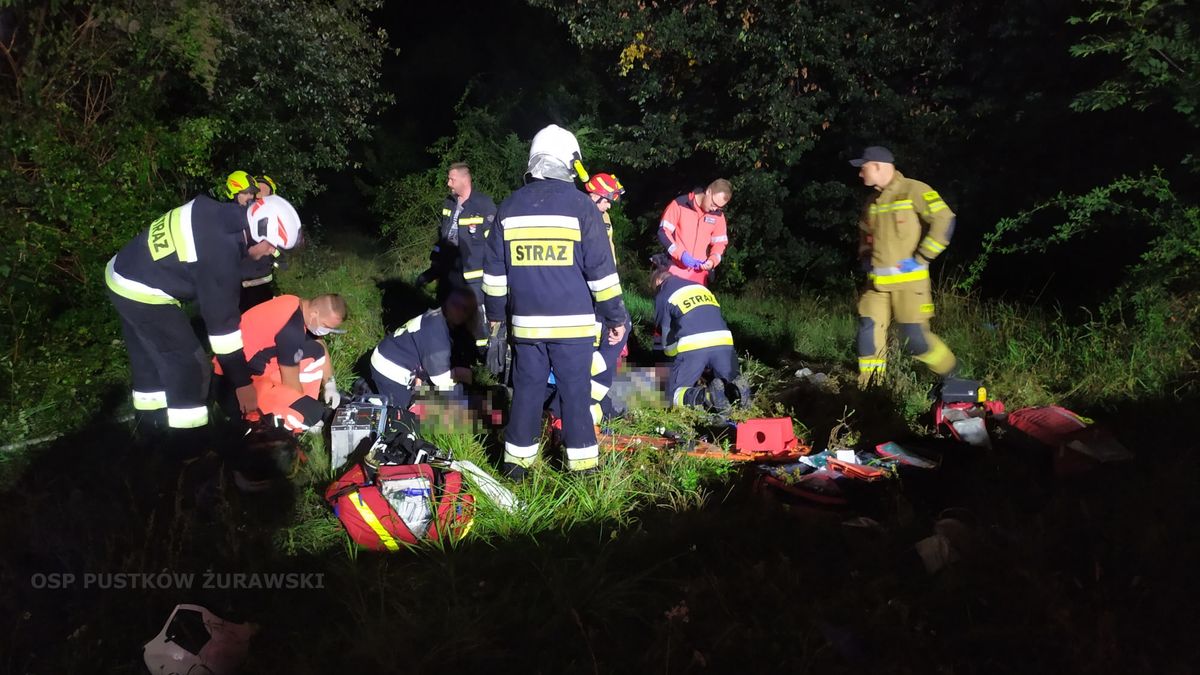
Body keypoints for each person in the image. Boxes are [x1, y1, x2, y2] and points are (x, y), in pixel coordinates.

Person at [483, 124, 628, 479]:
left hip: (526, 326)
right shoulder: (582, 207)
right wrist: (616, 319)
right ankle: (583, 473)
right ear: (569, 161)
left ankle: (516, 468)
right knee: (576, 397)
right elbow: (602, 274)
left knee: (527, 395)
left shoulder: (509, 207)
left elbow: (494, 275)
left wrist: (498, 318)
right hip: (574, 329)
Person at [105, 194, 302, 454]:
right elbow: (223, 334)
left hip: (122, 273)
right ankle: (190, 451)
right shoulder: (218, 256)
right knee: (191, 368)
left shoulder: (216, 211)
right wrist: (243, 384)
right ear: (259, 234)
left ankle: (148, 438)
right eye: (272, 247)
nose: (271, 253)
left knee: (149, 365)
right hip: (144, 292)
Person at [850, 145, 957, 386]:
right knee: (869, 331)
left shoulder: (913, 190)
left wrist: (922, 257)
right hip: (876, 286)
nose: (860, 174)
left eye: (863, 168)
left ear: (878, 166)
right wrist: (866, 258)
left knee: (915, 340)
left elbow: (945, 219)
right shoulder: (872, 202)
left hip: (910, 285)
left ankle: (952, 375)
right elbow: (865, 234)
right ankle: (872, 388)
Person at [216, 293, 346, 433]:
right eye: (326, 326)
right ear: (315, 313)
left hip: (253, 369)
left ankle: (297, 408)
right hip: (235, 385)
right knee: (311, 413)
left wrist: (330, 384)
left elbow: (319, 344)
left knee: (315, 350)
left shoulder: (294, 303)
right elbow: (291, 382)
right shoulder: (291, 331)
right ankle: (284, 424)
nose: (326, 331)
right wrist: (308, 412)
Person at [650, 255, 750, 410]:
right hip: (724, 342)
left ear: (658, 282)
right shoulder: (699, 287)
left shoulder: (663, 294)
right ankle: (739, 392)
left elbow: (666, 345)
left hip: (694, 346)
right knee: (727, 382)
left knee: (672, 395)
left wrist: (673, 362)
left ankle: (707, 396)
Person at [369, 288, 479, 410]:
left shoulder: (438, 315)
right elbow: (440, 380)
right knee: (401, 418)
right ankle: (372, 404)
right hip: (389, 369)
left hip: (397, 354)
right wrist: (460, 377)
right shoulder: (438, 336)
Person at [416, 163, 497, 322]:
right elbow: (443, 237)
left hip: (473, 280)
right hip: (448, 276)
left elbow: (494, 245)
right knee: (447, 321)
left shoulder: (483, 205)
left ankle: (480, 347)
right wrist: (433, 269)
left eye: (452, 179)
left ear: (464, 180)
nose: (448, 183)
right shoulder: (449, 203)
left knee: (475, 324)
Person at [583, 172, 631, 422]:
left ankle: (600, 397)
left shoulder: (603, 215)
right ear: (593, 195)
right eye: (606, 199)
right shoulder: (583, 214)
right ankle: (592, 398)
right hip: (588, 288)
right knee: (605, 335)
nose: (609, 205)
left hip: (606, 284)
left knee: (621, 327)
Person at [657, 179, 733, 285]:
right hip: (675, 269)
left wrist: (712, 261)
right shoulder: (680, 204)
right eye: (714, 203)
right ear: (708, 191)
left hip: (699, 275)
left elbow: (720, 244)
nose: (714, 209)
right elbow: (663, 232)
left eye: (719, 207)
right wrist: (680, 255)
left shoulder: (718, 216)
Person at [238, 173, 285, 311]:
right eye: (257, 194)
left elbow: (281, 250)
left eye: (265, 196)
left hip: (262, 285)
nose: (259, 199)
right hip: (236, 287)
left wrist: (278, 255)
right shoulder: (237, 216)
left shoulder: (276, 221)